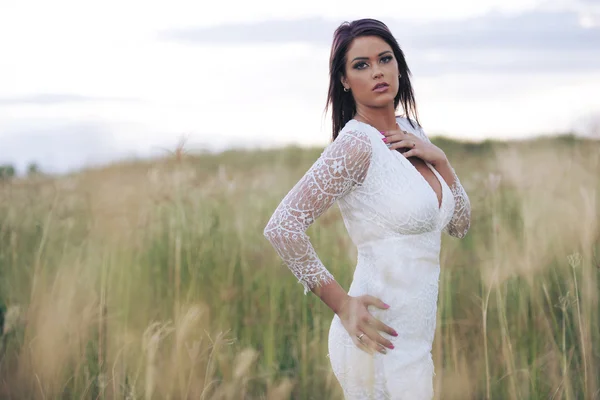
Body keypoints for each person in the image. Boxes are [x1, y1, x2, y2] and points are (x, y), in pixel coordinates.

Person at [263, 18, 471, 400]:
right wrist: (341, 304)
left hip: (414, 344)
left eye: (385, 59)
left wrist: (441, 161)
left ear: (399, 65)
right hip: (374, 343)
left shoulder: (412, 131)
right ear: (344, 80)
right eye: (361, 65)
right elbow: (282, 226)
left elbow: (459, 224)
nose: (377, 71)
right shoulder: (356, 145)